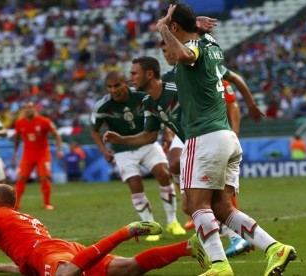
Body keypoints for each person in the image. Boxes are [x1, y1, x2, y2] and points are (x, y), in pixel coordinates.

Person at [156, 4, 296, 275]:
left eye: (167, 26)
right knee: (221, 207)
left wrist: (163, 27)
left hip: (205, 136)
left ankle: (220, 266)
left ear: (174, 27)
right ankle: (275, 248)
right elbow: (194, 43)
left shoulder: (193, 47)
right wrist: (191, 24)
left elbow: (184, 52)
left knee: (195, 205)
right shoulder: (211, 43)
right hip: (226, 136)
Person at [104, 56, 256, 258]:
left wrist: (230, 127)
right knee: (191, 204)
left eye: (134, 74)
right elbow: (149, 136)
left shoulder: (182, 87)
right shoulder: (149, 101)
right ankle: (252, 243)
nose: (131, 78)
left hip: (208, 142)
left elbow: (221, 98)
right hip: (194, 144)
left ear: (149, 74)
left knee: (215, 202)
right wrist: (122, 140)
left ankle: (233, 244)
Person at [0, 183, 209, 276]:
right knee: (130, 268)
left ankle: (124, 231)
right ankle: (187, 246)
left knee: (66, 275)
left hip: (50, 252)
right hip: (64, 249)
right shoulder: (27, 219)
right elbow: (33, 266)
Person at [91, 71, 185, 241]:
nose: (113, 90)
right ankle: (149, 226)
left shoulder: (142, 96)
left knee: (163, 173)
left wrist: (168, 132)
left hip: (147, 142)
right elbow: (93, 129)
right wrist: (103, 150)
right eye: (110, 87)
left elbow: (162, 110)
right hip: (122, 150)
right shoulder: (102, 106)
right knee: (135, 184)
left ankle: (173, 221)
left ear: (126, 83)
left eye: (117, 85)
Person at [12, 101, 64, 210]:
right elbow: (17, 138)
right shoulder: (19, 123)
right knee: (21, 178)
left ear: (35, 109)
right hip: (28, 153)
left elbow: (56, 135)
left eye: (30, 107)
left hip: (42, 153)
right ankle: (16, 204)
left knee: (44, 178)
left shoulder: (45, 121)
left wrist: (59, 150)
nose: (28, 110)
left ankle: (47, 203)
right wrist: (15, 153)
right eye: (26, 108)